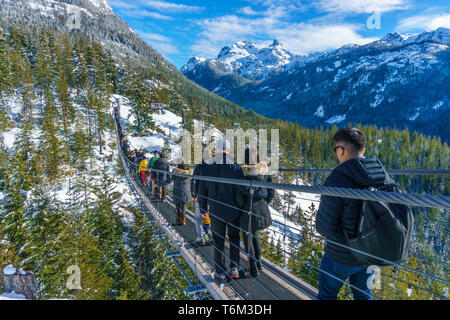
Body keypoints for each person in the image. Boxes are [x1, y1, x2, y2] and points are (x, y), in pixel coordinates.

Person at [315, 127, 393, 300]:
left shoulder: (337, 179)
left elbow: (324, 227)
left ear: (341, 150)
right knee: (364, 295)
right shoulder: (382, 176)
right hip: (372, 253)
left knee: (327, 294)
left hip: (341, 255)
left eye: (336, 149)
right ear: (362, 149)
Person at [197, 139, 267, 283]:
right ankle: (234, 268)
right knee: (234, 238)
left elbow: (202, 191)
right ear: (228, 150)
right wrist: (261, 192)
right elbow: (244, 189)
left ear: (216, 151)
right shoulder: (236, 168)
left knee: (218, 240)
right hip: (233, 211)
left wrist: (204, 209)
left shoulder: (207, 169)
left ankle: (220, 272)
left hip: (215, 211)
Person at [236, 146, 275, 278]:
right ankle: (258, 264)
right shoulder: (265, 171)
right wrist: (264, 203)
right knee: (254, 235)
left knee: (248, 238)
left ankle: (252, 269)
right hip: (262, 209)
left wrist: (243, 207)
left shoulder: (243, 173)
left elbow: (240, 196)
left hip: (248, 210)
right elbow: (271, 191)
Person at [190, 149, 211, 246]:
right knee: (209, 217)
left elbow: (194, 181)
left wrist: (194, 195)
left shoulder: (199, 167)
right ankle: (208, 236)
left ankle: (201, 238)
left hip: (200, 196)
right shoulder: (214, 166)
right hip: (212, 197)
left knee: (198, 218)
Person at [171, 160, 193, 225]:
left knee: (177, 205)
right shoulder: (188, 173)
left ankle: (177, 221)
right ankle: (183, 221)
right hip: (185, 192)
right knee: (183, 206)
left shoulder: (175, 172)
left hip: (177, 190)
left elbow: (171, 178)